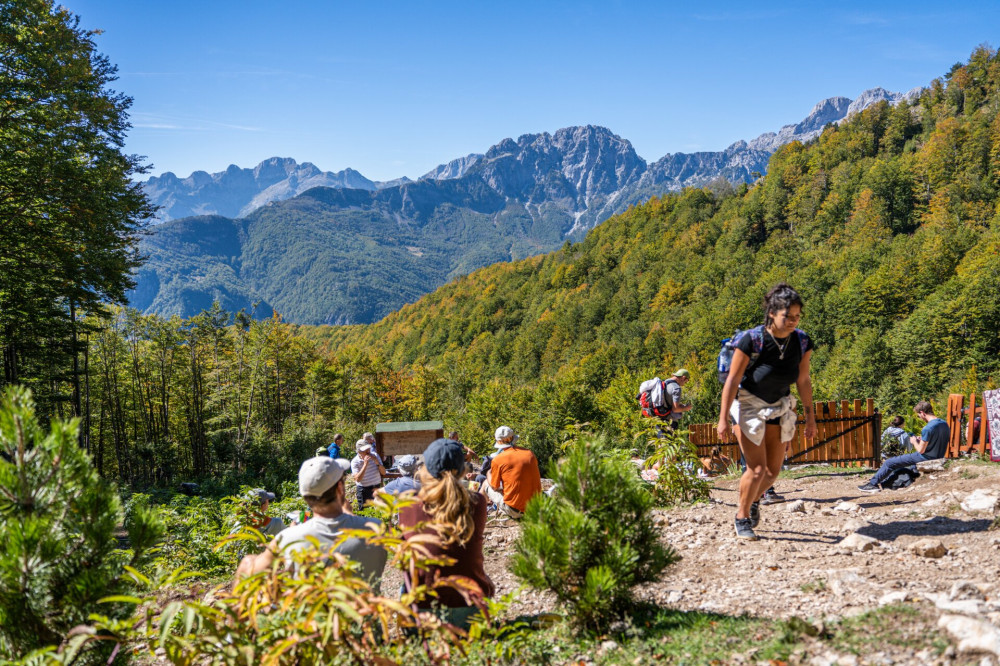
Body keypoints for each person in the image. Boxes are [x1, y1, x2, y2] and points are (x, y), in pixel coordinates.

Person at [717, 283, 817, 541]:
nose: (793, 321)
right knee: (757, 468)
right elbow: (732, 379)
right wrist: (723, 419)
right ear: (772, 313)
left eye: (797, 316)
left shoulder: (802, 341)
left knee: (773, 471)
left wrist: (810, 417)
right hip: (749, 404)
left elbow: (803, 381)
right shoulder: (752, 339)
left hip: (780, 405)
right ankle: (742, 517)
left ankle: (752, 501)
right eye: (788, 316)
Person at [234, 457, 388, 589]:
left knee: (248, 561)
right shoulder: (375, 527)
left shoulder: (288, 539)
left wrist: (290, 533)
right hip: (365, 621)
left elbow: (249, 574)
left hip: (313, 623)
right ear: (340, 489)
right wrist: (349, 515)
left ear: (305, 496)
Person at [399, 438, 495, 628]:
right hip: (471, 613)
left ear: (425, 469)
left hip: (420, 615)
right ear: (463, 470)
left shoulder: (408, 502)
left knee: (406, 584)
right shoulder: (477, 502)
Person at [859, 401, 949, 493]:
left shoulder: (928, 427)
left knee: (889, 462)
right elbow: (937, 439)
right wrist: (921, 439)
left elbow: (921, 450)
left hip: (925, 457)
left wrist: (914, 441)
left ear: (922, 413)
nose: (920, 418)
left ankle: (872, 484)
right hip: (938, 455)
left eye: (919, 415)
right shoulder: (944, 424)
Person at [481, 426, 542, 519]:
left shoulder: (498, 460)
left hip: (516, 511)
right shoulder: (530, 453)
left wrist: (488, 473)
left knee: (486, 483)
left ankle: (480, 512)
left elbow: (494, 486)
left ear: (499, 442)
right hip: (536, 507)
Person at [351, 439, 386, 510]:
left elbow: (383, 472)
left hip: (376, 488)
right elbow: (358, 479)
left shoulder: (375, 455)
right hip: (364, 491)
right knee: (365, 514)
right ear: (359, 452)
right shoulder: (355, 462)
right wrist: (365, 464)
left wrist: (376, 462)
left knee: (379, 512)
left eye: (368, 449)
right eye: (365, 450)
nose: (368, 452)